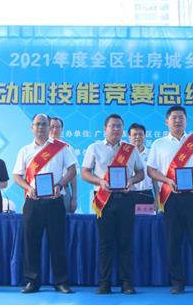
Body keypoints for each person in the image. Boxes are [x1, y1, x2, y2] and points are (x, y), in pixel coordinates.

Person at [147, 105, 193, 294]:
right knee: (173, 241)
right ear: (166, 121)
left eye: (181, 118)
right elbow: (150, 170)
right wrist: (167, 180)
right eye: (174, 117)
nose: (178, 121)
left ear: (186, 121)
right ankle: (177, 282)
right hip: (171, 197)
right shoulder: (159, 144)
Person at [13, 113, 78, 294]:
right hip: (33, 202)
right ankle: (32, 281)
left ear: (50, 127)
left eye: (44, 124)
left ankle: (61, 281)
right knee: (31, 242)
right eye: (37, 124)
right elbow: (17, 176)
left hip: (55, 200)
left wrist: (60, 185)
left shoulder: (61, 148)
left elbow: (72, 170)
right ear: (32, 128)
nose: (41, 127)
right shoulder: (24, 150)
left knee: (57, 242)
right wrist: (28, 187)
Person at [81, 114, 146, 294]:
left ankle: (127, 283)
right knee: (105, 242)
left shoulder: (130, 149)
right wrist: (100, 181)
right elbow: (84, 173)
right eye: (112, 126)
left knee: (126, 242)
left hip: (126, 198)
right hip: (103, 199)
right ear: (105, 129)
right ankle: (105, 282)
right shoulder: (94, 148)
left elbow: (141, 173)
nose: (116, 129)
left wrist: (131, 181)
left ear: (123, 130)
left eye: (119, 126)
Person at [49, 116, 78, 214]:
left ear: (62, 129)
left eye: (57, 127)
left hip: (63, 190)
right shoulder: (40, 149)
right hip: (43, 192)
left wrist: (74, 198)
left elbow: (73, 175)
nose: (54, 130)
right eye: (52, 127)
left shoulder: (68, 148)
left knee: (63, 221)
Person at [128, 123, 156, 207]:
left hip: (146, 194)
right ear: (129, 137)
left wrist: (157, 198)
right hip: (128, 194)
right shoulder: (124, 155)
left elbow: (155, 178)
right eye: (134, 134)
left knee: (146, 216)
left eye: (140, 134)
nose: (138, 137)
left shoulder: (151, 154)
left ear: (145, 136)